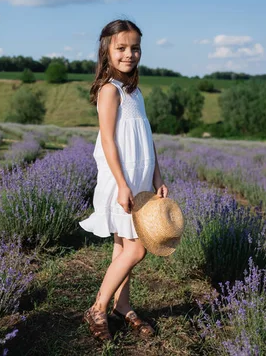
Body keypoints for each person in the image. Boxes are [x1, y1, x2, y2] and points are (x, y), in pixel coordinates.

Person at [78, 19, 169, 342]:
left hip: (140, 177)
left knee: (122, 246)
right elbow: (107, 141)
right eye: (121, 48)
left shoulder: (136, 92)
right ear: (107, 51)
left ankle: (123, 305)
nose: (129, 54)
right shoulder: (109, 90)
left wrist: (157, 176)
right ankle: (98, 307)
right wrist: (122, 184)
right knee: (137, 248)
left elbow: (146, 137)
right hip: (122, 179)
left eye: (134, 48)